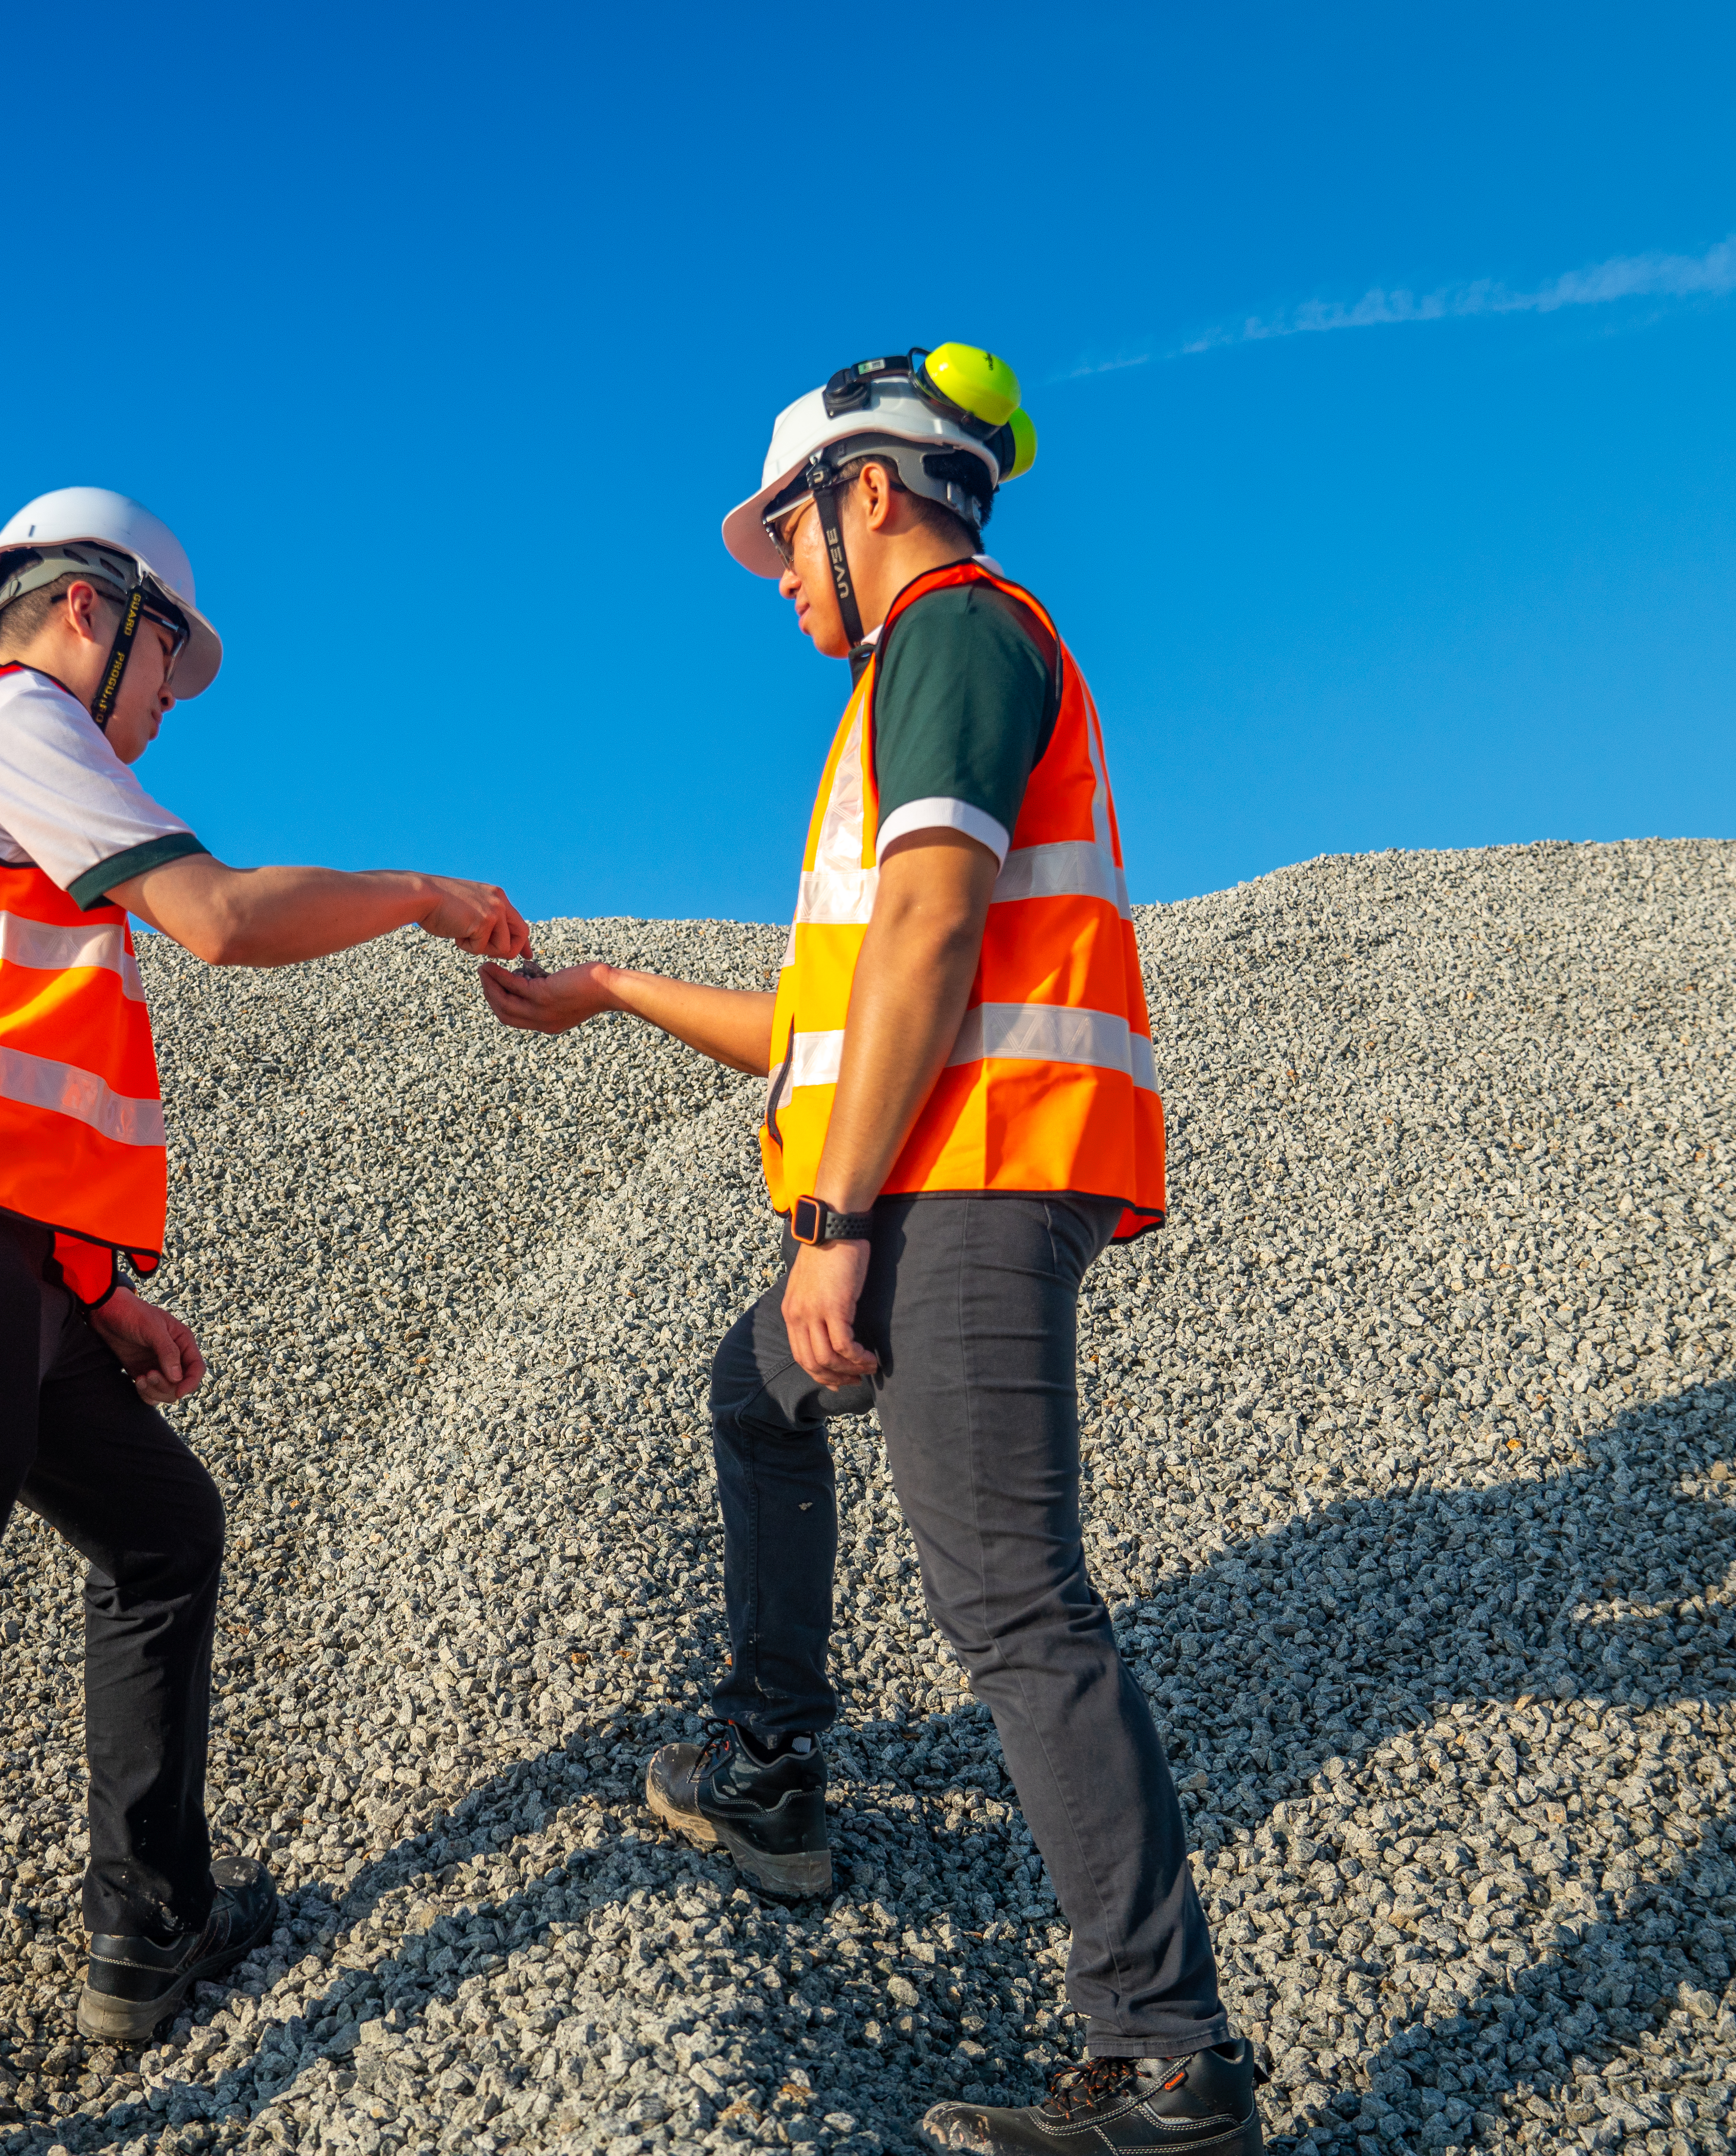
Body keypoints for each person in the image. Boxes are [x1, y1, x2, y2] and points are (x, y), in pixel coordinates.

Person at [0, 487, 531, 2156]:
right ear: (92, 616)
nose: (163, 709)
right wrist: (419, 893)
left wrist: (96, 1288)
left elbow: (2, 1055)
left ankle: (151, 1922)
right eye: (166, 671)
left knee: (160, 1524)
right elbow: (220, 920)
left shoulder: (18, 771)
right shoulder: (8, 722)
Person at [479, 349, 1263, 2156]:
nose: (782, 578)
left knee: (1013, 1602)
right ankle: (769, 1774)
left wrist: (833, 1224)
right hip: (929, 1161)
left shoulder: (959, 638)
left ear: (873, 493)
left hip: (969, 1179)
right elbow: (818, 1022)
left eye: (789, 534)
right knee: (753, 1400)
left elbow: (925, 926)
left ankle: (1165, 2061)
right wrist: (602, 993)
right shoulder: (918, 678)